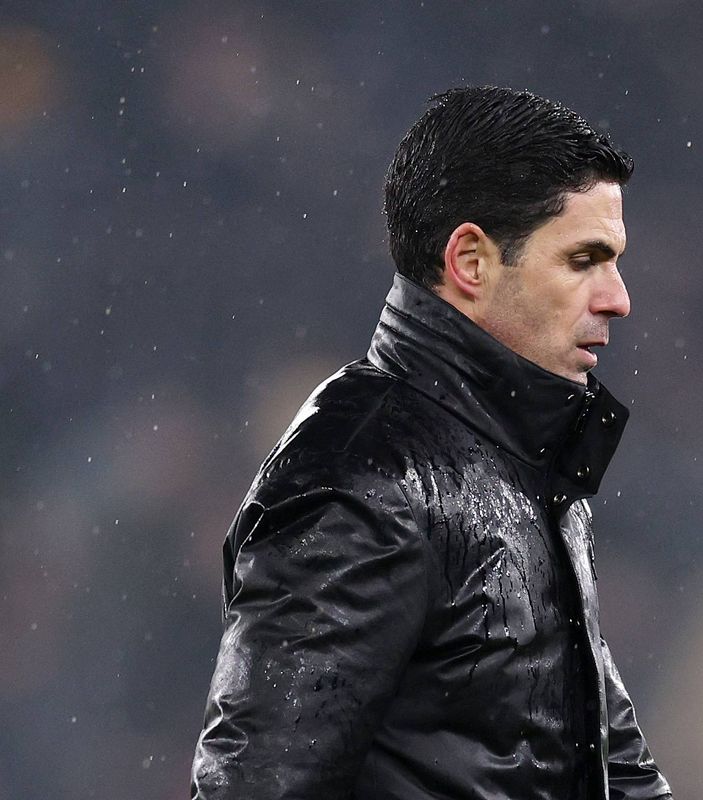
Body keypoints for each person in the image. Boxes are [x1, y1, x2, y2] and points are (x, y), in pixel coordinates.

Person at [190, 86, 673, 800]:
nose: (618, 297)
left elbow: (608, 767)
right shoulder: (359, 473)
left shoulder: (526, 463)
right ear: (471, 262)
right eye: (584, 260)